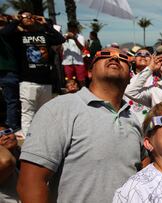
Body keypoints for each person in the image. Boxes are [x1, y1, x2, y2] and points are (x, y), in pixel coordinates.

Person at [17, 47, 144, 203]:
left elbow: (143, 173)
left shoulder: (133, 118)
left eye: (123, 58)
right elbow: (30, 182)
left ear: (130, 76)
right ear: (89, 72)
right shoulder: (60, 108)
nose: (115, 59)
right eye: (105, 55)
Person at [2, 11, 65, 136]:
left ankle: (44, 138)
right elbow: (4, 33)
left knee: (45, 112)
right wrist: (16, 20)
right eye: (25, 17)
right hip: (27, 81)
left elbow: (60, 39)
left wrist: (46, 24)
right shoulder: (17, 36)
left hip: (46, 82)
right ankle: (28, 142)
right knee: (28, 114)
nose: (29, 18)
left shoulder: (44, 35)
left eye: (31, 16)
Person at [0, 13, 21, 131]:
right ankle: (13, 125)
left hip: (10, 70)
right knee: (12, 101)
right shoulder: (5, 32)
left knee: (12, 100)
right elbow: (4, 32)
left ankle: (12, 124)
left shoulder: (10, 32)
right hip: (7, 71)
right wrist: (15, 20)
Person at [61, 22, 86, 87]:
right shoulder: (63, 36)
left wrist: (75, 39)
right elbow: (59, 49)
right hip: (67, 62)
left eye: (73, 28)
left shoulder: (80, 37)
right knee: (69, 82)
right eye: (70, 28)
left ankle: (84, 95)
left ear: (76, 28)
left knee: (81, 81)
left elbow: (82, 48)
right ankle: (71, 95)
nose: (72, 29)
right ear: (68, 28)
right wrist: (65, 39)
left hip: (79, 62)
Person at [0, 123, 20, 202]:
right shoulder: (3, 162)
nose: (5, 137)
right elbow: (6, 162)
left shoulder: (20, 153)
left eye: (7, 131)